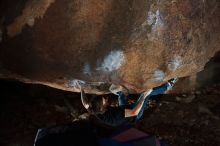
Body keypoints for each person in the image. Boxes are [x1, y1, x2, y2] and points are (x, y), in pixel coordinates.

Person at [80, 78, 178, 127]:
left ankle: (121, 93)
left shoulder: (94, 110)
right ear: (102, 108)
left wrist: (81, 88)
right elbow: (134, 112)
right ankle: (169, 85)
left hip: (123, 110)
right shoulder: (116, 117)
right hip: (134, 114)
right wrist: (143, 96)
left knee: (121, 95)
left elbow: (85, 103)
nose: (106, 98)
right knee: (147, 94)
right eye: (104, 100)